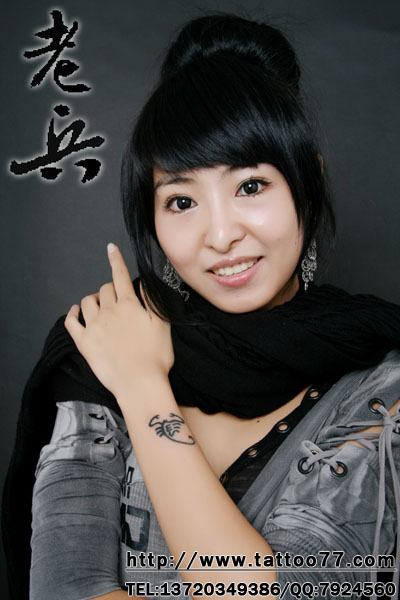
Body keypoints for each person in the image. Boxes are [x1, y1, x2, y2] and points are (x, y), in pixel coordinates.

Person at [2, 13, 400, 600]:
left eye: (250, 186)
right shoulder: (102, 347)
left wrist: (142, 388)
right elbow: (68, 588)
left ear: (307, 187)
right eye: (181, 201)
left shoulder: (381, 388)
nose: (219, 236)